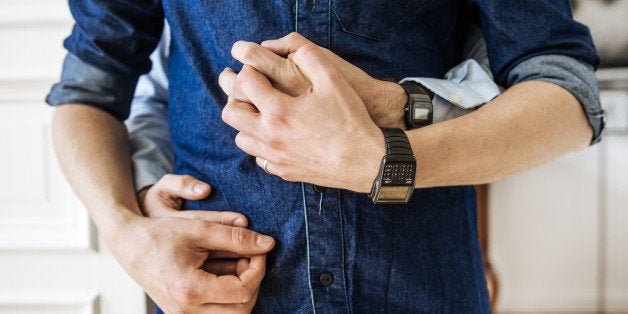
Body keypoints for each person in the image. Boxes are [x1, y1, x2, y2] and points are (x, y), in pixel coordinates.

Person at [46, 1, 603, 312]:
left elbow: (568, 97)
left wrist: (383, 159)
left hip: (421, 290)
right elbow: (86, 95)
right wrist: (124, 233)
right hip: (212, 294)